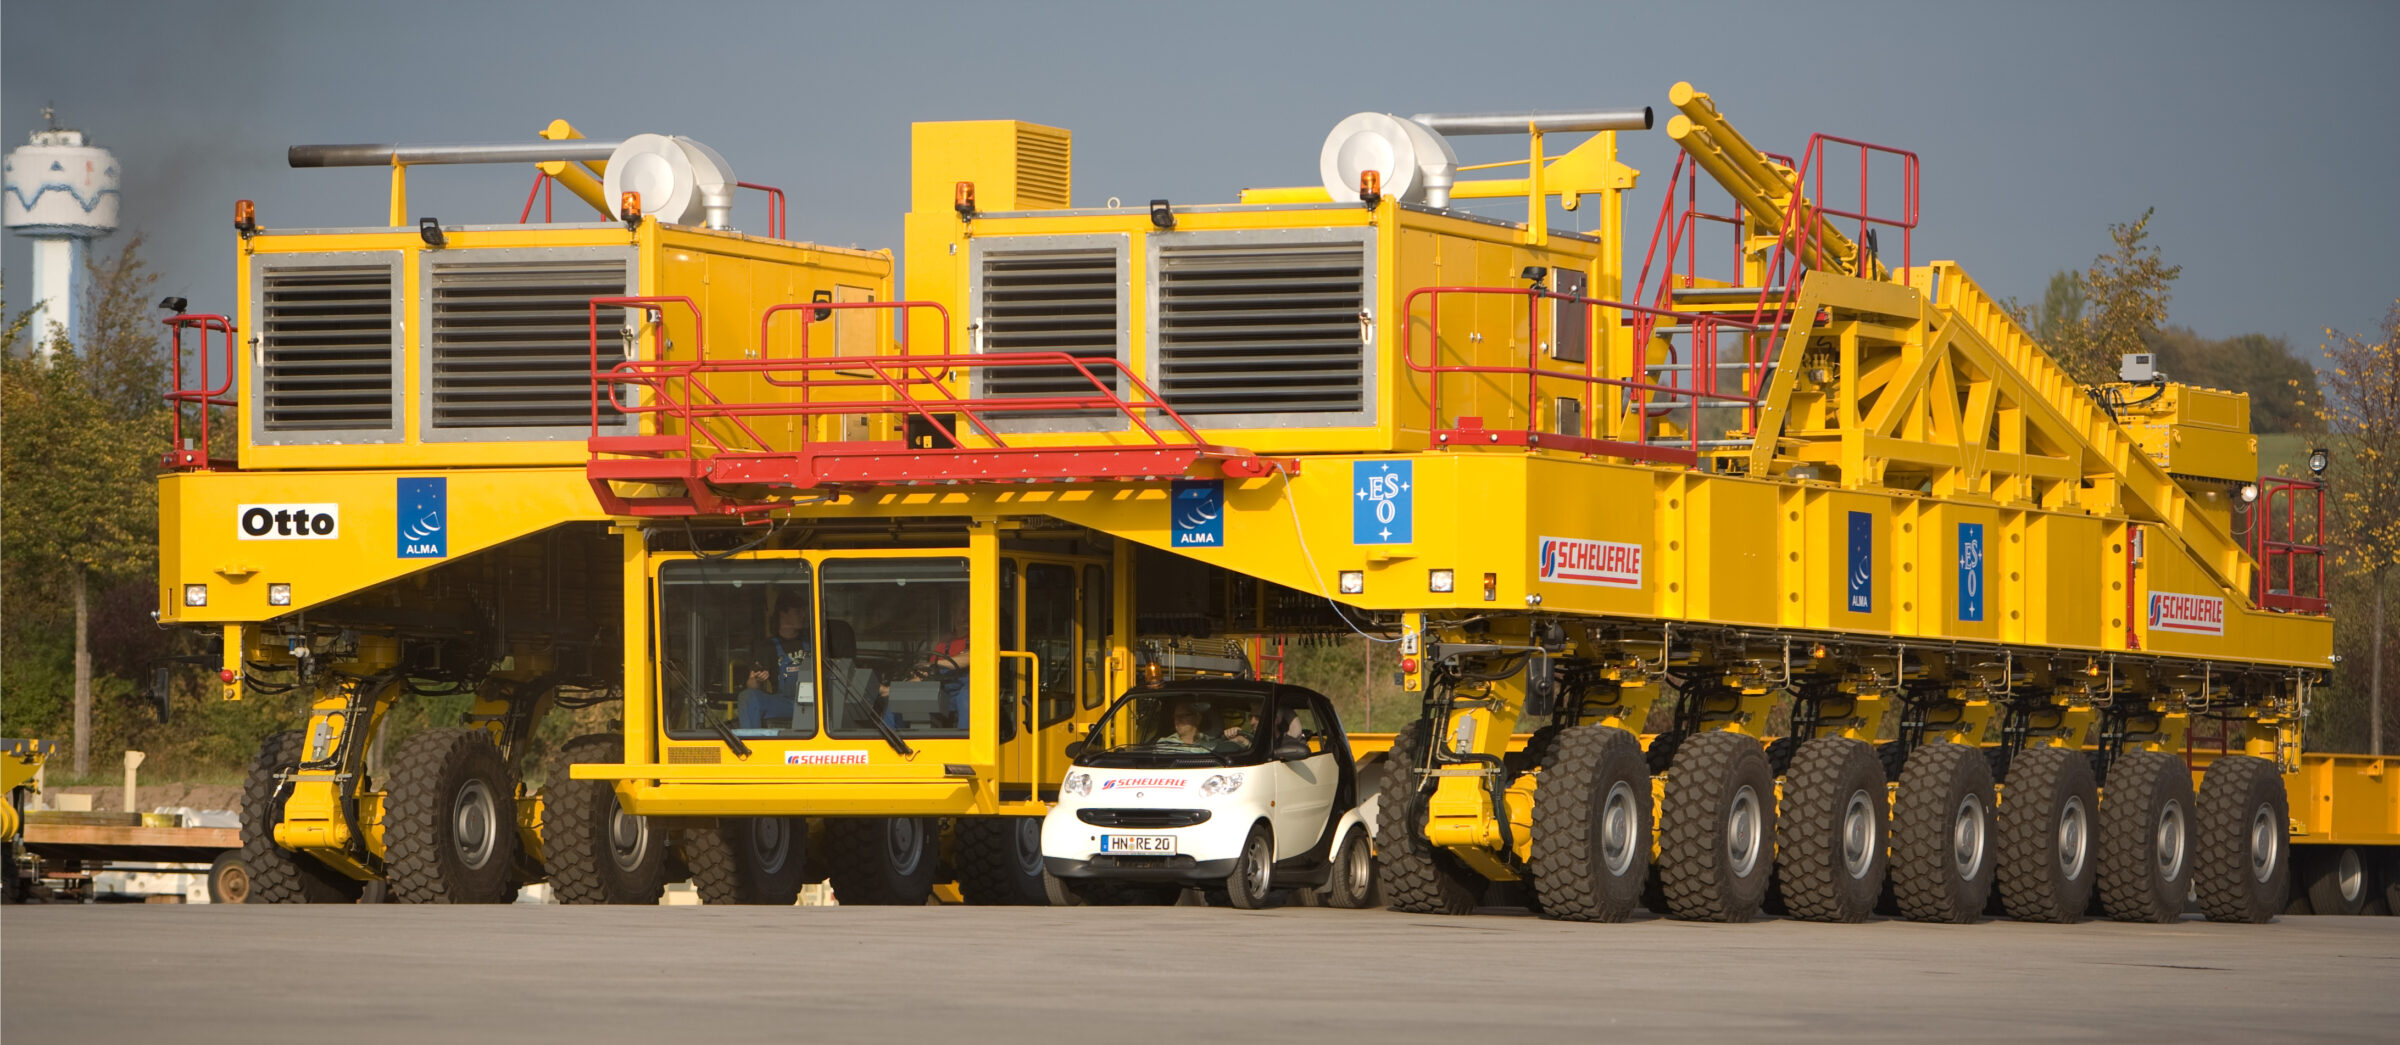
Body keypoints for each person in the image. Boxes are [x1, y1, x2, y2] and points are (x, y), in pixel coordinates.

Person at [737, 593, 814, 732]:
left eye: (804, 612)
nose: (803, 616)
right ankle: (752, 748)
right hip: (787, 704)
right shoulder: (767, 647)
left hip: (817, 703)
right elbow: (751, 684)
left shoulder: (814, 640)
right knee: (747, 697)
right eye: (798, 612)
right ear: (783, 614)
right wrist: (756, 679)